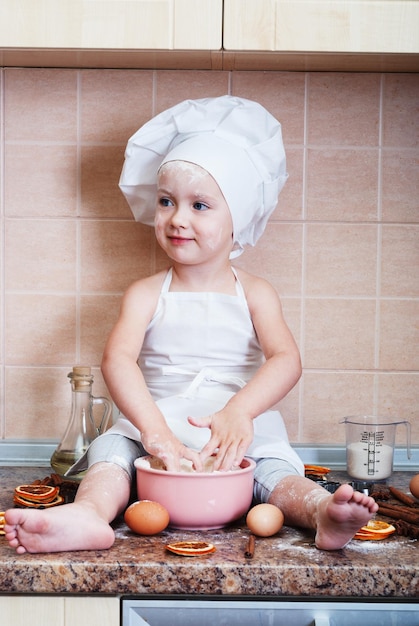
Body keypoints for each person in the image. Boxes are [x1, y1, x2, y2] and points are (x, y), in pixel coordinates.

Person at [5, 96, 378, 554]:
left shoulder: (256, 293)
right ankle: (88, 515)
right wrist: (152, 430)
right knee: (111, 455)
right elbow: (117, 360)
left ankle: (323, 513)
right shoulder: (145, 293)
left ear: (238, 215)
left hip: (234, 431)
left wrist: (240, 412)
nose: (177, 218)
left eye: (200, 205)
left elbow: (286, 360)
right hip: (156, 425)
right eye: (166, 201)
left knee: (275, 471)